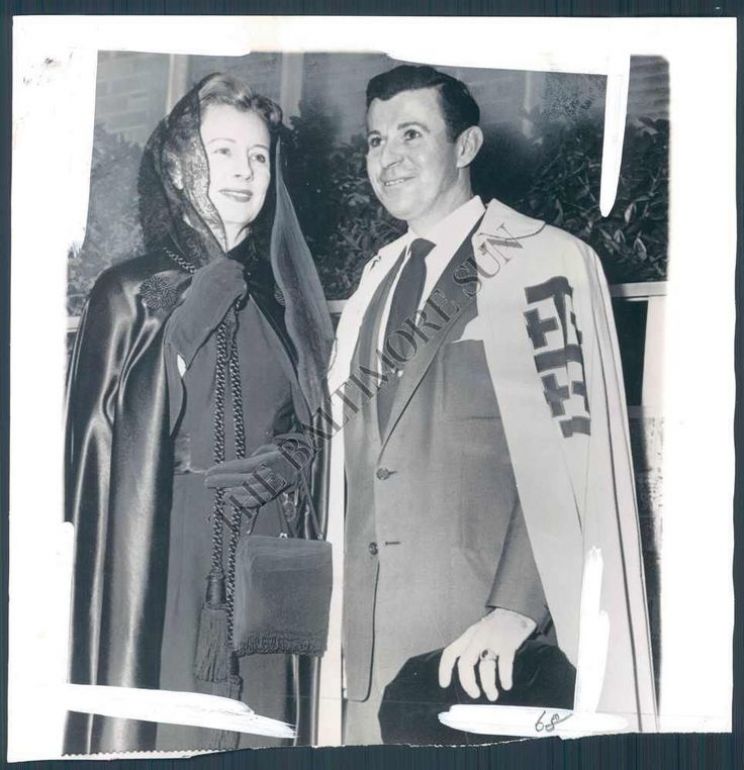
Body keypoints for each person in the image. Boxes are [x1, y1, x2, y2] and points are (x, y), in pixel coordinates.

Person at [324, 65, 656, 744]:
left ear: (466, 146)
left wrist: (517, 609)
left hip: (484, 647)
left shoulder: (542, 262)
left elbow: (574, 453)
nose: (388, 157)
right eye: (376, 140)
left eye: (412, 134)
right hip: (365, 655)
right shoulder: (371, 285)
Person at [64, 73, 333, 754]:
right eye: (223, 152)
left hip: (266, 563)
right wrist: (191, 317)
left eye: (259, 155)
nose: (244, 171)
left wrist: (291, 458)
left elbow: (312, 427)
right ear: (182, 162)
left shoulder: (283, 299)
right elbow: (98, 446)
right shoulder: (129, 290)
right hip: (163, 554)